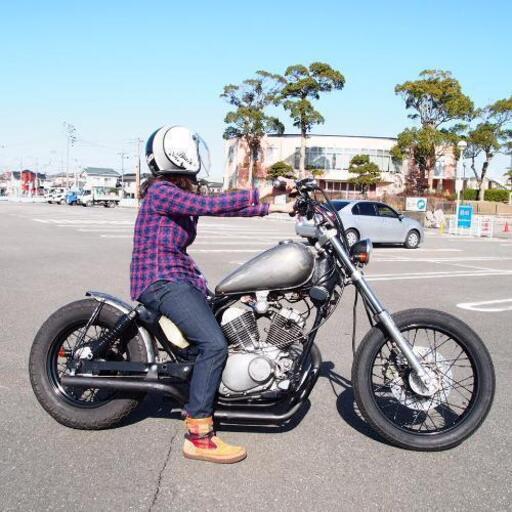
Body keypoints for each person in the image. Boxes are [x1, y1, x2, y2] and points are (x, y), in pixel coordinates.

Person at [130, 126, 294, 464]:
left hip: (180, 277)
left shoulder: (173, 192)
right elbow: (210, 205)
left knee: (229, 314)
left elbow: (225, 208)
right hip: (161, 279)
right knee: (214, 344)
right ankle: (199, 436)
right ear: (178, 155)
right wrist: (266, 190)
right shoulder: (162, 191)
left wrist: (276, 209)